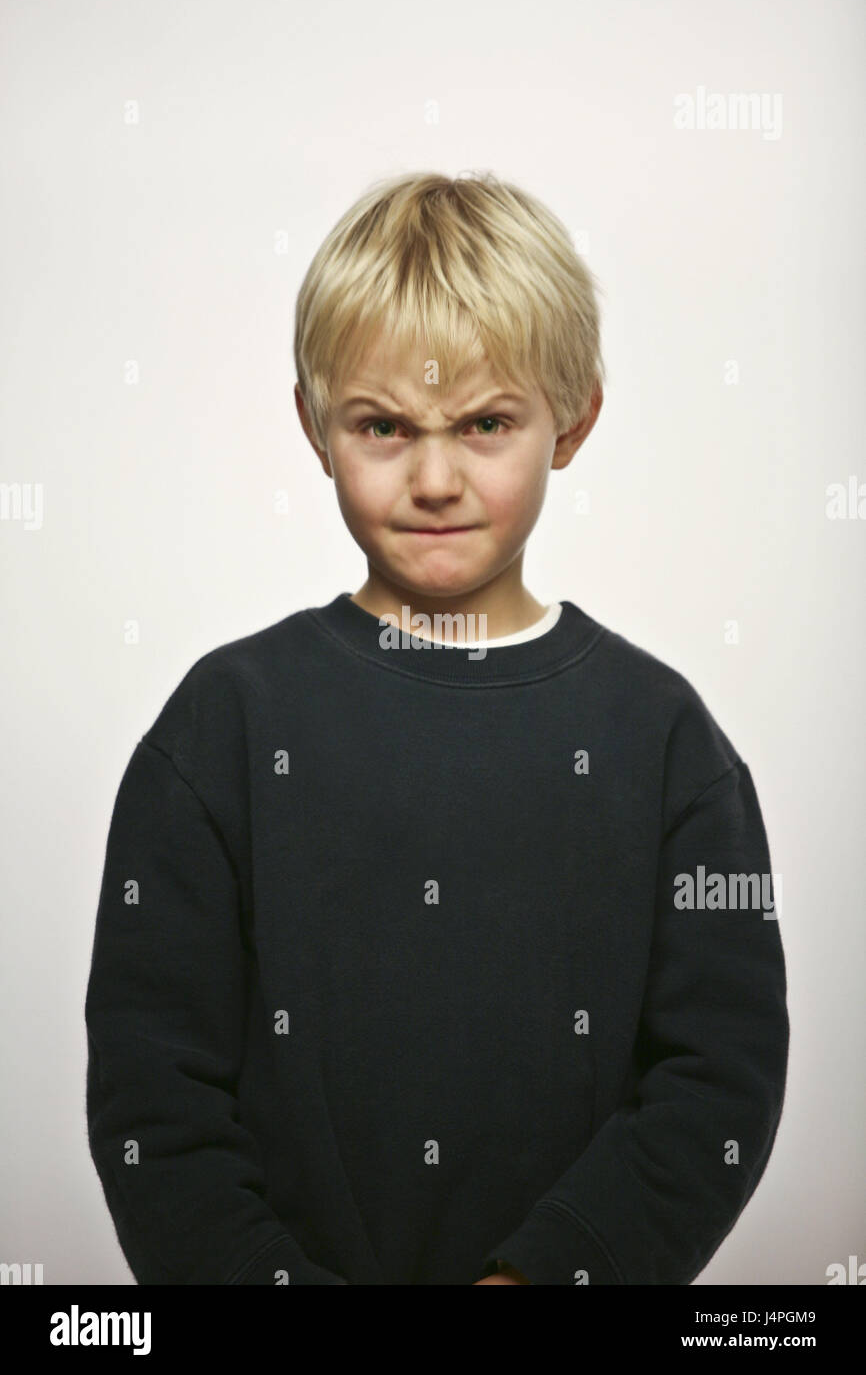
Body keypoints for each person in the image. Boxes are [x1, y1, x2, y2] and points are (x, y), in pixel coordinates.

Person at [84, 170, 789, 1285]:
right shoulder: (222, 725)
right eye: (382, 425)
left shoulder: (665, 743)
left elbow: (718, 1078)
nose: (432, 478)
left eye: (484, 424)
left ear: (573, 419)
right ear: (315, 427)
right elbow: (153, 1091)